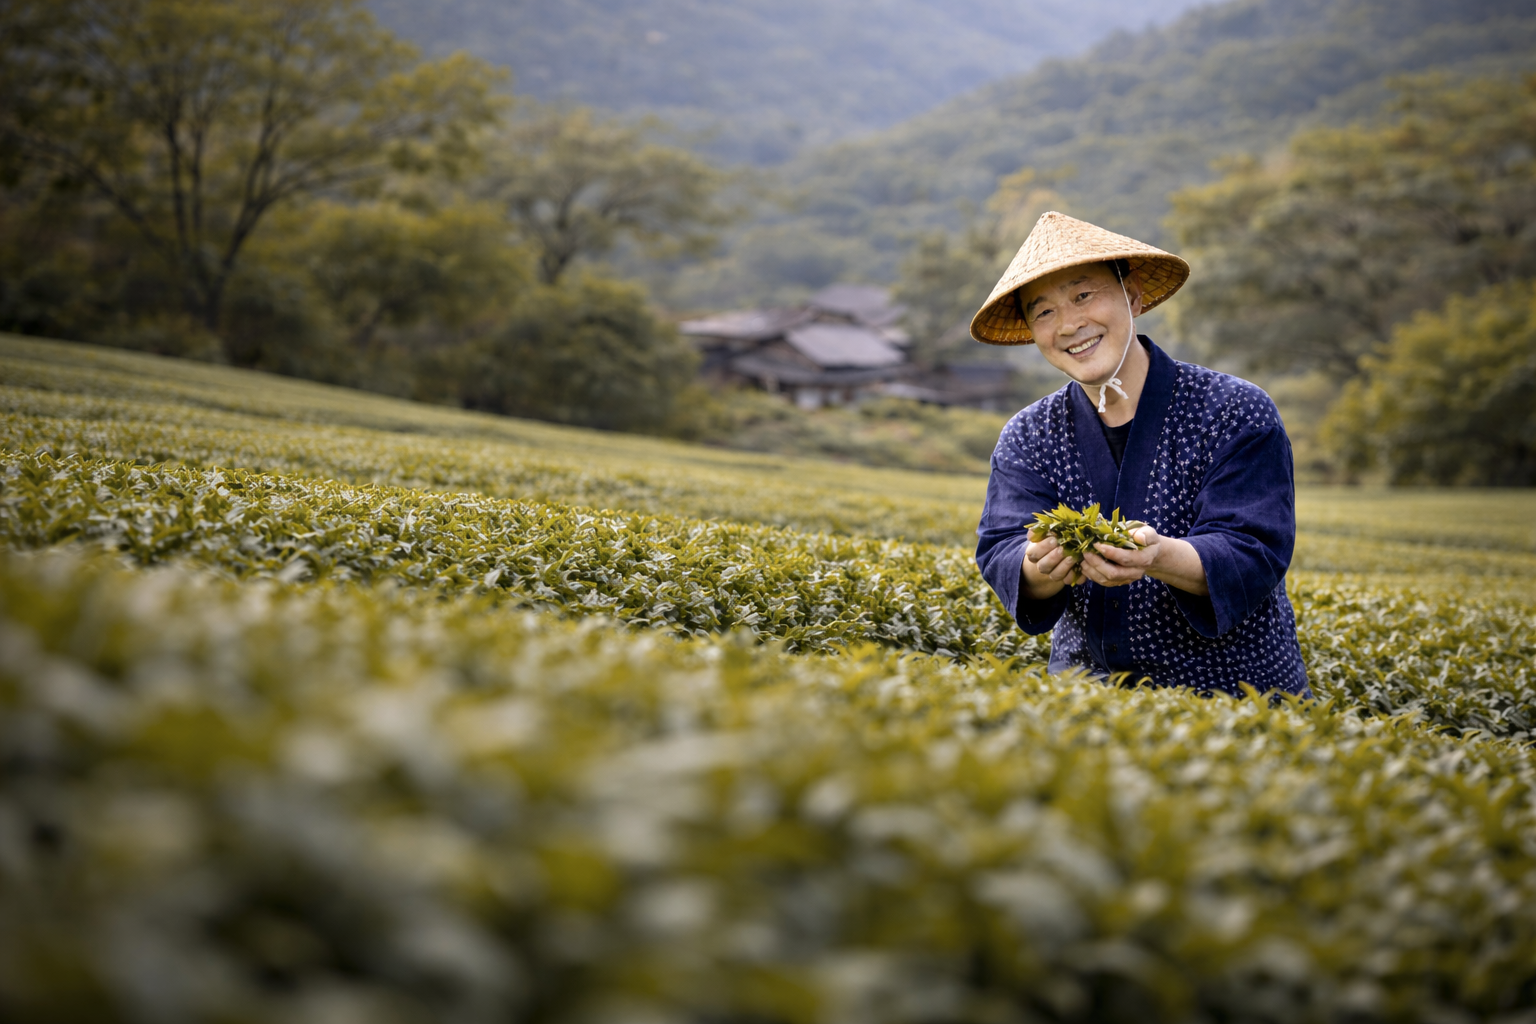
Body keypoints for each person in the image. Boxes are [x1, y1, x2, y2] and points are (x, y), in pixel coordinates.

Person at [970, 211, 1309, 698]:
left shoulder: (1234, 409)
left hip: (1237, 701)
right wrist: (1042, 562)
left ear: (1132, 297)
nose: (1069, 324)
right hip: (1087, 702)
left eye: (1084, 295)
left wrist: (1155, 555)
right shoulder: (1027, 435)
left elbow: (1251, 549)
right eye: (1043, 311)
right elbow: (1002, 547)